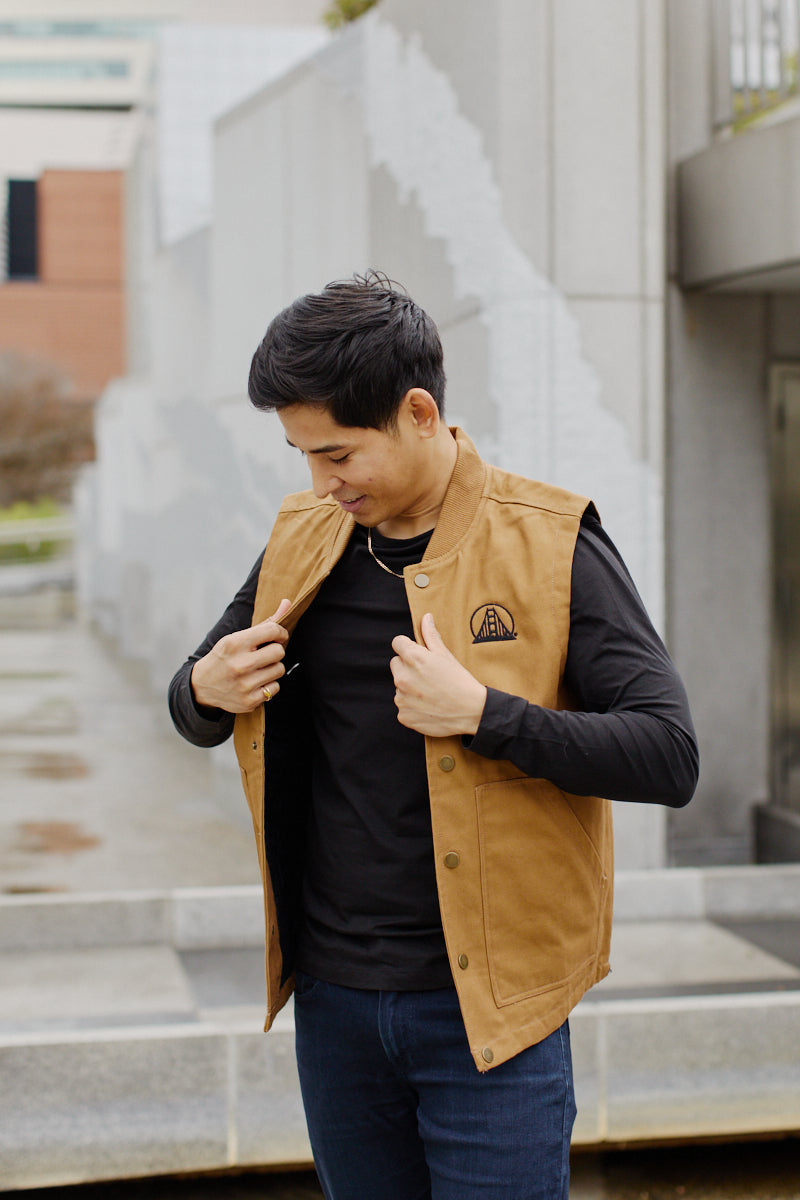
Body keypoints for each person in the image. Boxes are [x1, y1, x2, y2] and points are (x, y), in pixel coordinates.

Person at [168, 271, 698, 1200]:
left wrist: (488, 716)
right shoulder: (304, 534)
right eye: (302, 456)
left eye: (337, 455)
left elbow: (669, 753)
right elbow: (196, 698)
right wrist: (204, 690)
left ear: (419, 412)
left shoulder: (552, 539)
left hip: (492, 1015)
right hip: (332, 1004)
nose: (321, 483)